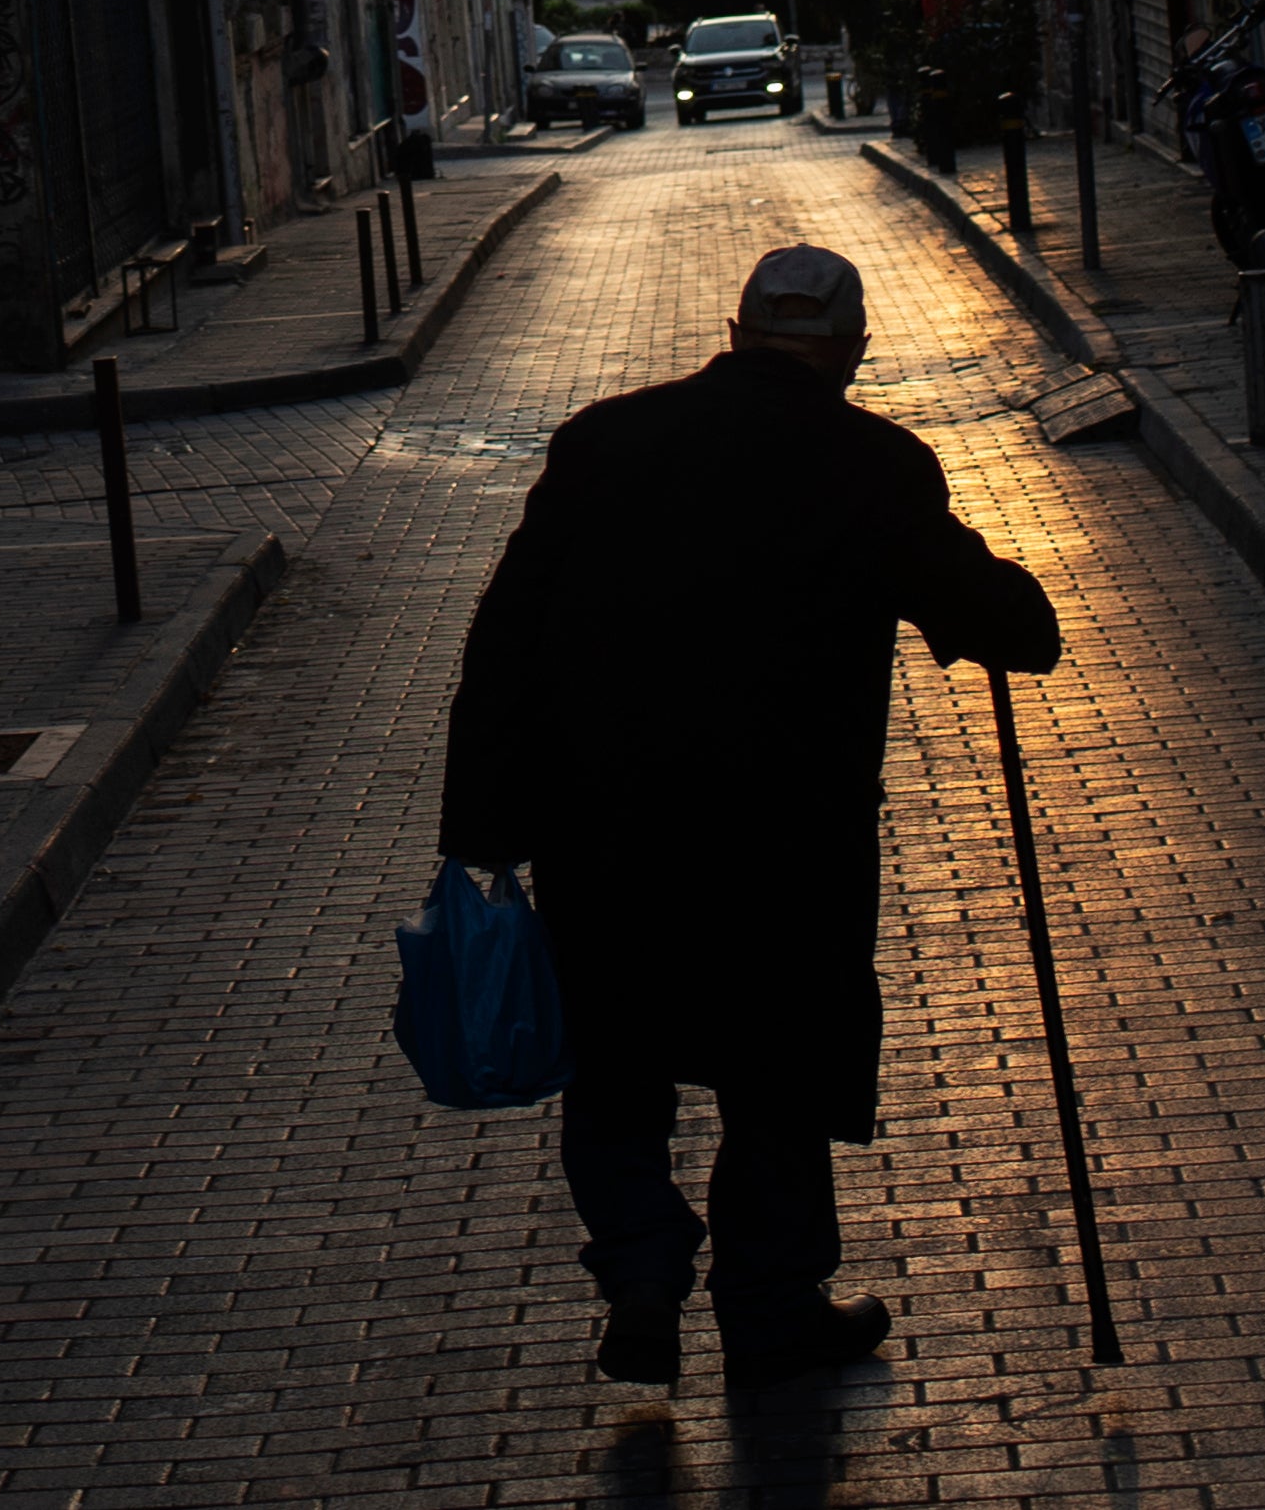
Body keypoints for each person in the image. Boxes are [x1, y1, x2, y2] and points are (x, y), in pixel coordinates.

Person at [439, 242, 1062, 1390]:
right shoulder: (872, 464)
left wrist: (478, 822)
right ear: (850, 352)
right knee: (777, 1071)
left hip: (606, 830)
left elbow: (504, 636)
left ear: (733, 335)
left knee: (617, 1061)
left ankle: (639, 1267)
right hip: (786, 843)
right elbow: (1003, 623)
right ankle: (770, 1305)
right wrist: (1018, 610)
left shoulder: (601, 444)